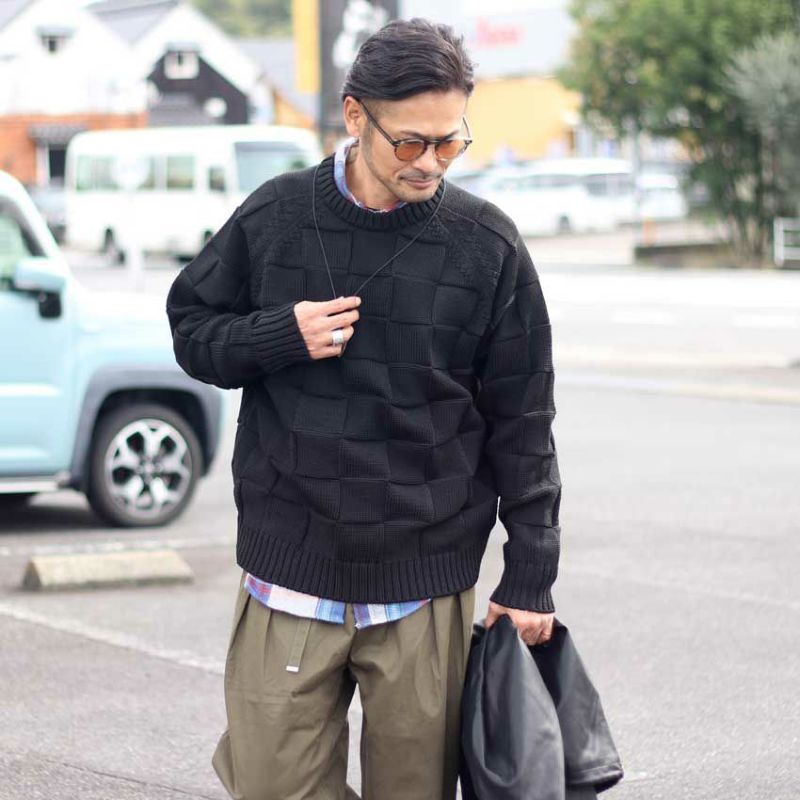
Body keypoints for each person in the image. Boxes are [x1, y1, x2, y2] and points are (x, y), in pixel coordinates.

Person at [165, 17, 562, 800]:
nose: (431, 162)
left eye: (451, 142)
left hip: (425, 581)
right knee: (271, 786)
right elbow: (192, 331)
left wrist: (530, 574)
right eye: (410, 142)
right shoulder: (276, 214)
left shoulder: (487, 244)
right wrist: (281, 334)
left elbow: (525, 419)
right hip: (290, 569)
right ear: (355, 116)